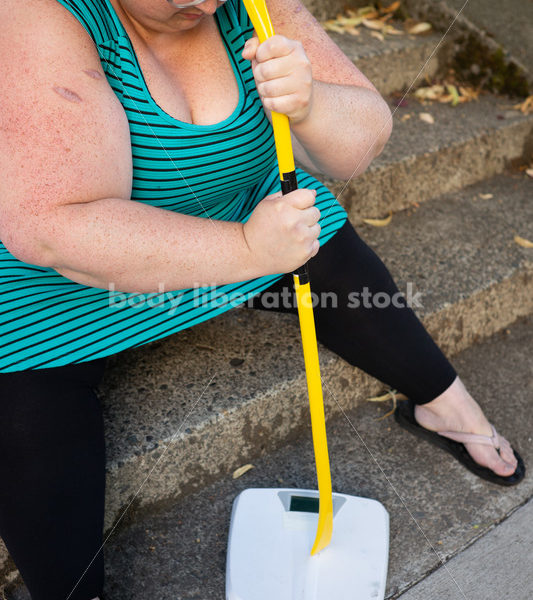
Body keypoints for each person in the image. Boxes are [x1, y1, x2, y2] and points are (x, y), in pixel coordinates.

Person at [0, 0, 524, 598]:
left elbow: (359, 145)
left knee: (326, 240)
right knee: (21, 403)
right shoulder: (38, 14)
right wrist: (249, 251)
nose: (199, 3)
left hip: (242, 219)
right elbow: (55, 228)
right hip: (69, 284)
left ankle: (443, 403)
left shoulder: (254, 4)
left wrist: (312, 103)